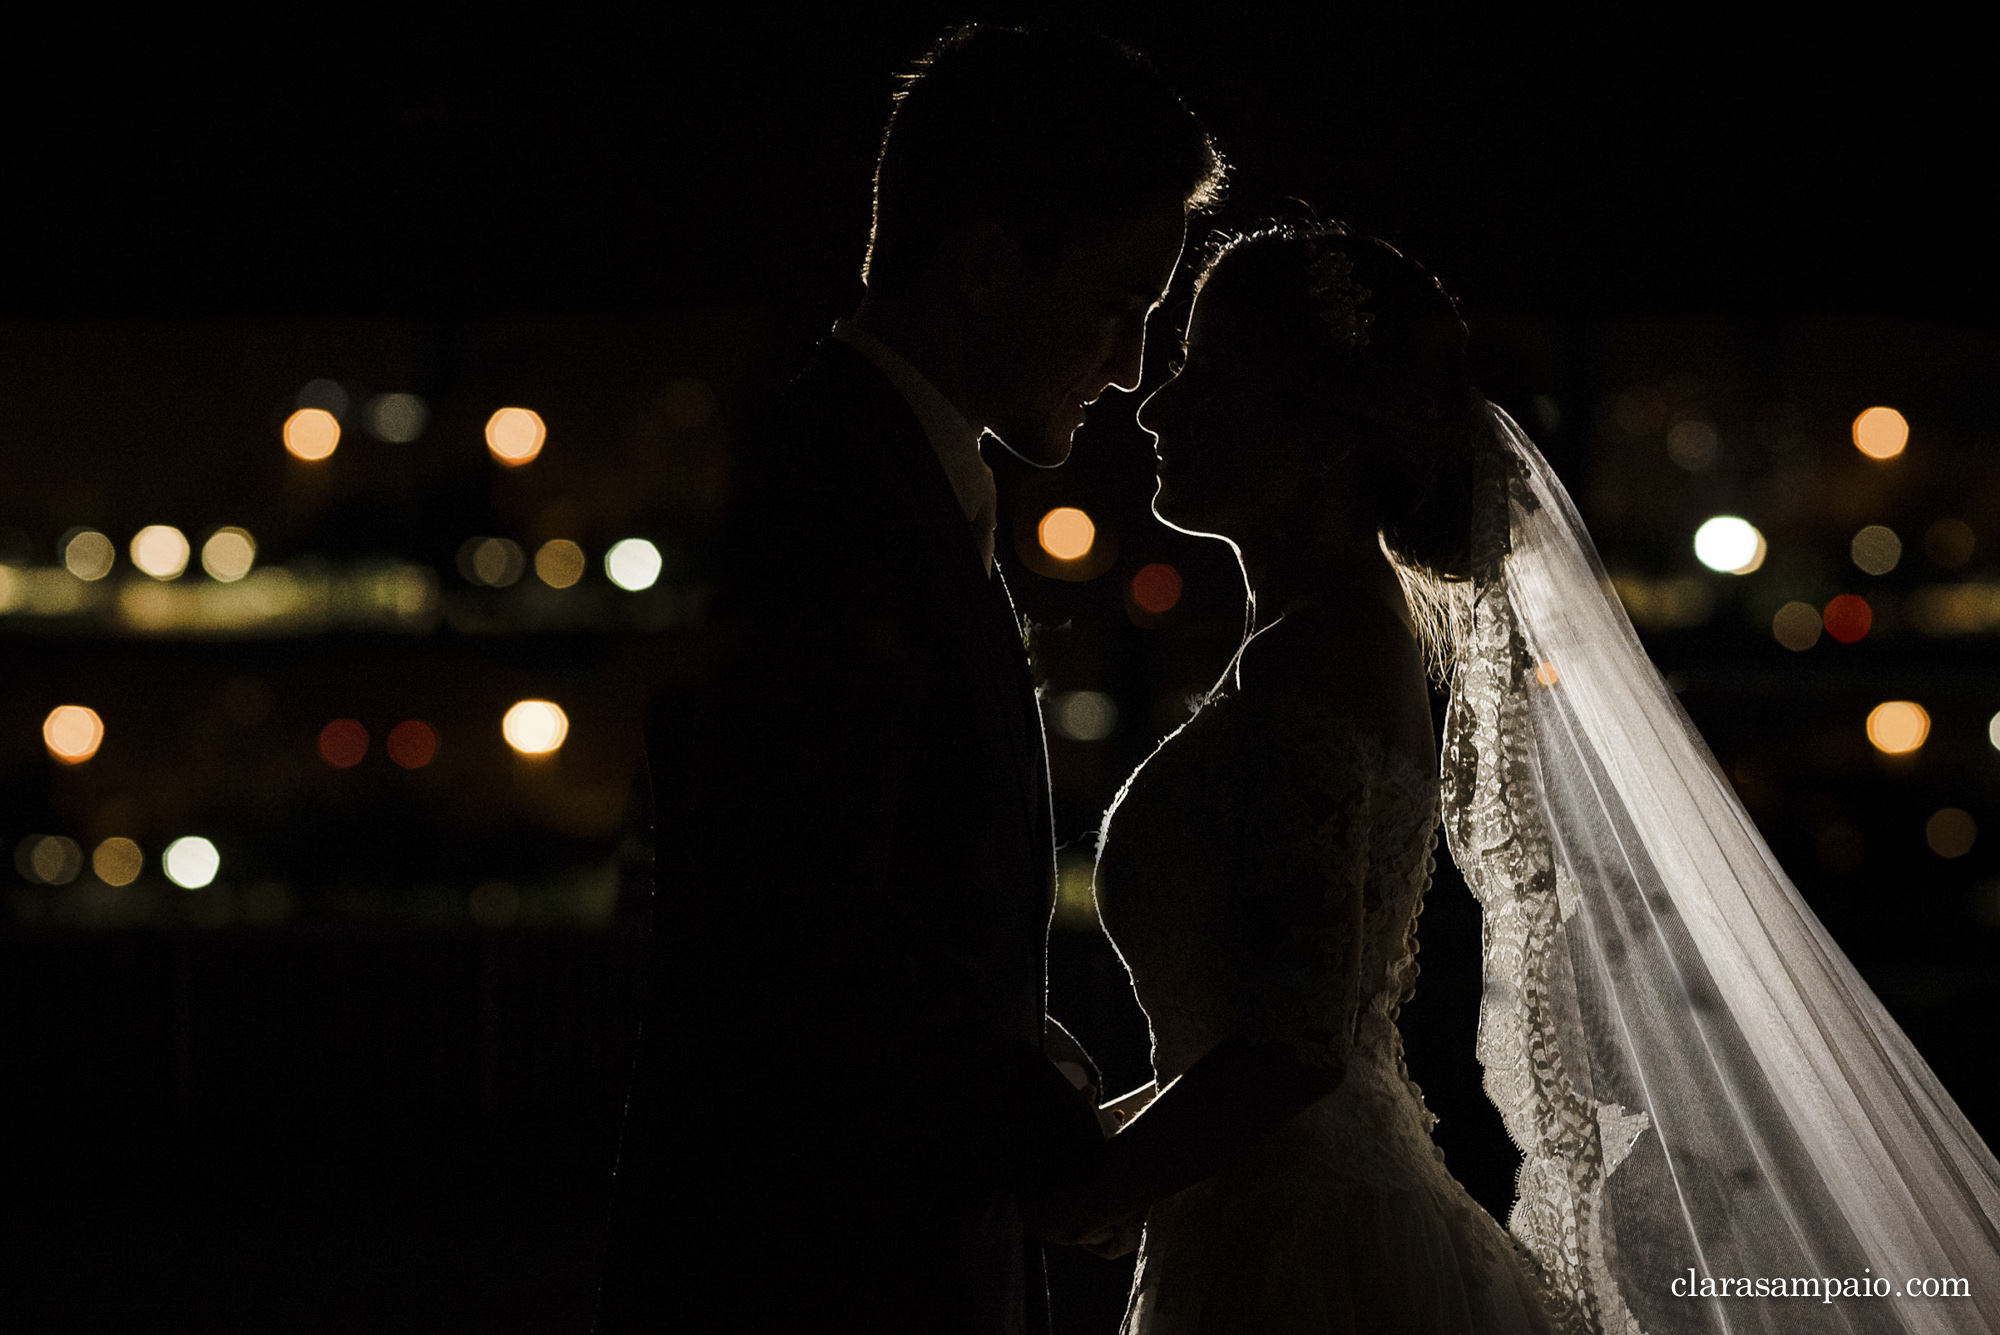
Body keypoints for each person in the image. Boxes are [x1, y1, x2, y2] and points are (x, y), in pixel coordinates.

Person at [1029, 222, 2000, 1334]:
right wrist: (1122, 1141)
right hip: (1269, 1212)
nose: (1154, 410)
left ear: (1322, 438)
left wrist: (1100, 1185)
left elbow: (1293, 1051)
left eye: (1208, 377)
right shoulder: (1305, 644)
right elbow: (1279, 1033)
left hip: (1303, 1258)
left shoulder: (1320, 653)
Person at [593, 25, 1223, 1334]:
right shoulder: (837, 497)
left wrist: (1030, 1062)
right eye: (1120, 302)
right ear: (990, 264)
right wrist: (1044, 1127)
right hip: (825, 1270)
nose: (1127, 364)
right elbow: (805, 931)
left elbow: (901, 919)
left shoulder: (871, 467)